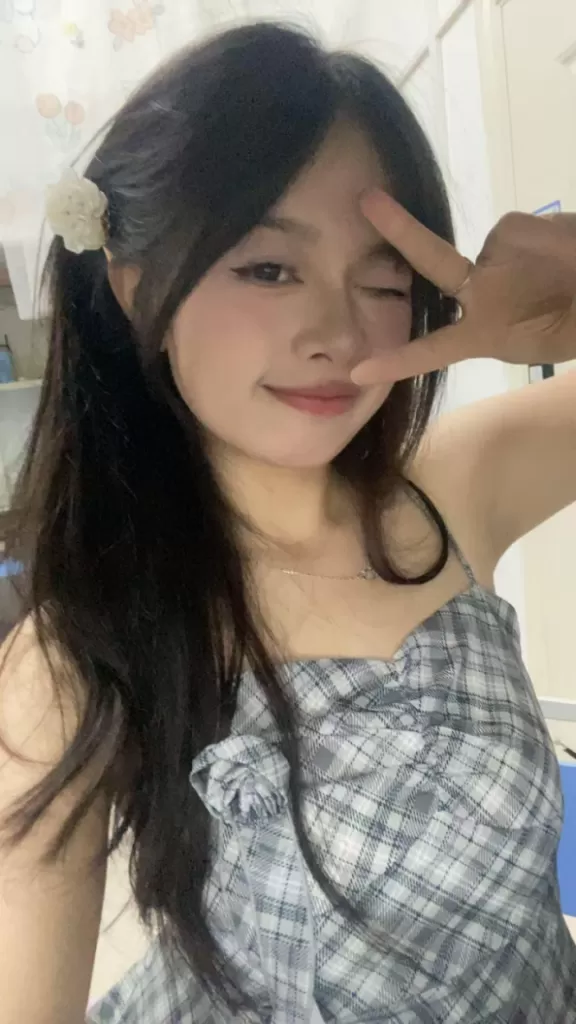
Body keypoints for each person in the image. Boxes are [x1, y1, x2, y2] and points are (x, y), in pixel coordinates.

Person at [0, 20, 575, 1024]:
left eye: (383, 280)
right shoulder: (75, 655)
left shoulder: (454, 489)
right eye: (269, 268)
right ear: (138, 291)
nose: (337, 333)